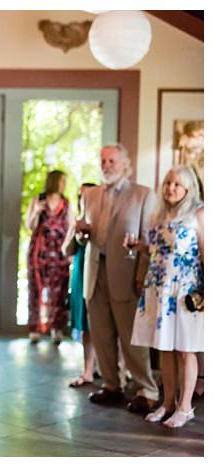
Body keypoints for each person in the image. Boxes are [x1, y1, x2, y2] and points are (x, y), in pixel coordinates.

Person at [76, 143, 159, 414]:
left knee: (132, 337)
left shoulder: (144, 195)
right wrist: (81, 234)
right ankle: (111, 384)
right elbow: (82, 235)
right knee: (100, 333)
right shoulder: (90, 195)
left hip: (126, 275)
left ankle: (146, 389)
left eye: (112, 161)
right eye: (103, 161)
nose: (106, 166)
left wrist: (141, 276)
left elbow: (149, 241)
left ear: (125, 163)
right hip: (95, 273)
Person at [131, 165, 204, 428]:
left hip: (185, 292)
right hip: (158, 290)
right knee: (164, 348)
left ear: (188, 188)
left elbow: (207, 255)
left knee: (186, 350)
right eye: (167, 183)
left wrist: (205, 292)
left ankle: (185, 407)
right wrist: (136, 246)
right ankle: (168, 403)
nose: (170, 188)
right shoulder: (158, 214)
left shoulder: (198, 214)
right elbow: (155, 251)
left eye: (176, 184)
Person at [25, 170, 73, 344]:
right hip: (39, 252)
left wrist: (69, 252)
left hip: (59, 252)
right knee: (35, 290)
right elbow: (29, 225)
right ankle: (35, 328)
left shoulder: (66, 204)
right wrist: (37, 211)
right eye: (61, 181)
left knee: (58, 292)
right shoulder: (38, 200)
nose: (63, 185)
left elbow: (70, 227)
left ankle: (56, 328)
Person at [64, 182, 97, 386]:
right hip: (79, 273)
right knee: (84, 324)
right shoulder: (77, 221)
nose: (82, 199)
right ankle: (88, 370)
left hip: (97, 273)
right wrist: (76, 233)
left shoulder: (102, 220)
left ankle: (118, 369)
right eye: (80, 196)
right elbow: (66, 250)